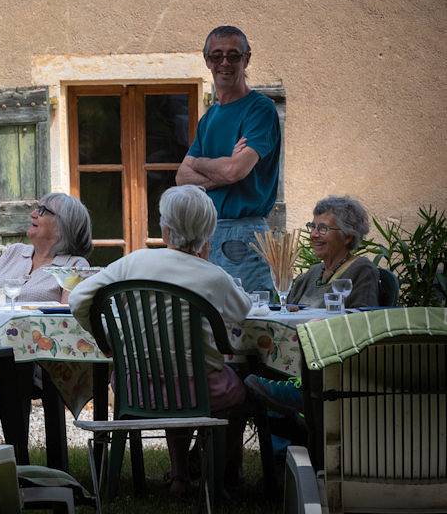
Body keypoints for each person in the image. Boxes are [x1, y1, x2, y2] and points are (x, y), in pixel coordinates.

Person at [69, 185, 252, 495]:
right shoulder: (214, 276)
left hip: (138, 386)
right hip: (199, 390)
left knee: (171, 377)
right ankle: (222, 477)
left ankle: (181, 476)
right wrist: (206, 265)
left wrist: (106, 340)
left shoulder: (132, 262)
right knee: (238, 391)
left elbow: (78, 298)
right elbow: (242, 310)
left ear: (165, 228)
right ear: (208, 233)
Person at [245, 195, 378, 418]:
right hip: (290, 357)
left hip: (331, 364)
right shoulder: (313, 273)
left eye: (323, 228)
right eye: (313, 226)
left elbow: (363, 321)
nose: (314, 234)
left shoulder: (362, 270)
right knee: (247, 363)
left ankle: (299, 394)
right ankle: (279, 443)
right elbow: (288, 308)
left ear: (347, 236)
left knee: (255, 377)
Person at [176, 25, 280, 295]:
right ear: (207, 60)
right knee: (210, 317)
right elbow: (181, 177)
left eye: (234, 55)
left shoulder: (260, 110)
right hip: (207, 234)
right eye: (216, 55)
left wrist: (200, 163)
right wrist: (218, 168)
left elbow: (236, 171)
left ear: (247, 58)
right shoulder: (210, 117)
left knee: (249, 317)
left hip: (243, 236)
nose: (224, 62)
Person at [0, 192, 92, 303]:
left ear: (63, 225)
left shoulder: (74, 266)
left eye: (43, 211)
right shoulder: (14, 251)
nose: (33, 213)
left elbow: (66, 317)